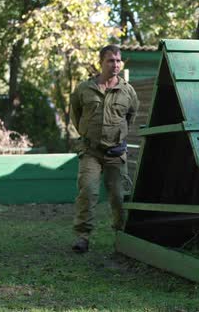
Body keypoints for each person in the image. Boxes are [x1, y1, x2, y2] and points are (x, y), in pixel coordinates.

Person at [69, 44, 139, 253]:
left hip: (116, 154)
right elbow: (76, 115)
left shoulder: (128, 91)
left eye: (118, 60)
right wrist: (89, 133)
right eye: (111, 60)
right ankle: (83, 236)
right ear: (101, 62)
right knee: (88, 191)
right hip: (90, 151)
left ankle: (121, 235)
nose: (115, 64)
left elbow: (130, 117)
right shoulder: (84, 89)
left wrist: (117, 136)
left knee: (118, 196)